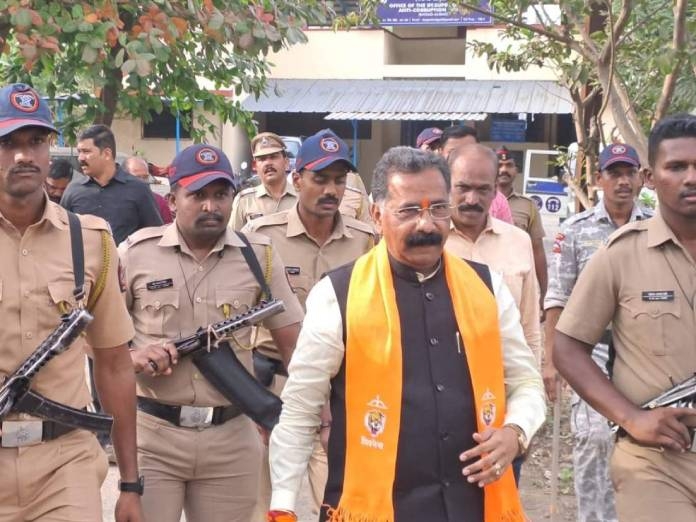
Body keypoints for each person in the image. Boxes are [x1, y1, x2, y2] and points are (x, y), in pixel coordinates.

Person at [268, 146, 545, 522]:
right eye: (409, 211)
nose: (426, 225)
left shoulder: (486, 288)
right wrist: (284, 502)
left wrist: (515, 432)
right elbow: (301, 409)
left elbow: (526, 382)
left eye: (438, 209)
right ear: (376, 215)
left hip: (473, 505)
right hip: (375, 508)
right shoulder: (338, 296)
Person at [118, 143, 304, 522]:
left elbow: (295, 344)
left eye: (221, 195)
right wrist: (132, 357)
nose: (210, 206)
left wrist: (303, 417)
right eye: (198, 195)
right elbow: (97, 342)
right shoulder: (135, 254)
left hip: (231, 437)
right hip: (154, 437)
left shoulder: (259, 255)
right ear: (172, 200)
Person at [0, 83, 143, 521]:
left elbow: (114, 364)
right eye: (7, 143)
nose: (23, 156)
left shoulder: (90, 241)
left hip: (65, 462)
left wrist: (130, 483)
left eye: (35, 141)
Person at [243, 129, 376, 520]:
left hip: (339, 391)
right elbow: (236, 321)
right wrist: (249, 399)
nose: (331, 190)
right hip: (273, 386)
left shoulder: (365, 242)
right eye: (320, 179)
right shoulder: (261, 238)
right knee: (264, 504)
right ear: (297, 179)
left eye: (339, 180)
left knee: (340, 504)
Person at [545, 142, 651, 522]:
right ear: (598, 180)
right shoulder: (575, 231)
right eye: (614, 174)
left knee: (647, 440)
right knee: (594, 438)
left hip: (647, 350)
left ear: (641, 178)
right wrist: (551, 361)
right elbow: (557, 296)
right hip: (592, 352)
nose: (623, 182)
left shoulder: (658, 226)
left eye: (629, 173)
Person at [60, 124, 163, 244]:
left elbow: (154, 235)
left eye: (86, 152)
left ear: (107, 154)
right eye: (79, 152)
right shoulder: (73, 190)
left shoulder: (138, 189)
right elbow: (60, 235)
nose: (80, 158)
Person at [496, 146, 548, 310]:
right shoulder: (479, 203)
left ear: (516, 170)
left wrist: (544, 293)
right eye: (499, 165)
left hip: (517, 280)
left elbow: (537, 250)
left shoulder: (528, 205)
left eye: (509, 165)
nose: (503, 170)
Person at [439, 125, 513, 224]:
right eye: (463, 187)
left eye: (482, 189)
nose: (472, 200)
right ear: (440, 152)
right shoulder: (428, 196)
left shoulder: (499, 201)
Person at [230, 132, 298, 231]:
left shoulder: (302, 198)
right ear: (255, 166)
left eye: (273, 157)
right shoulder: (245, 201)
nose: (268, 163)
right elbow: (233, 238)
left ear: (286, 162)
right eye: (262, 159)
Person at [123, 155, 173, 224]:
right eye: (137, 177)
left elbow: (168, 228)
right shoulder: (115, 201)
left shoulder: (159, 202)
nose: (142, 182)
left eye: (145, 177)